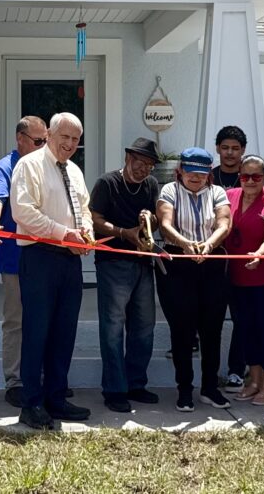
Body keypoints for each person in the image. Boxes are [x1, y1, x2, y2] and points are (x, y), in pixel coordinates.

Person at [10, 112, 93, 430]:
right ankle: (31, 404)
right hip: (40, 258)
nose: (70, 144)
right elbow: (23, 212)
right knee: (37, 332)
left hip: (70, 261)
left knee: (64, 331)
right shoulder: (28, 165)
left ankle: (56, 398)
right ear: (49, 135)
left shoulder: (75, 170)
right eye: (65, 137)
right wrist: (63, 234)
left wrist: (86, 233)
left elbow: (84, 209)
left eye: (75, 139)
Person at [156, 147, 232, 412]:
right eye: (191, 173)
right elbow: (165, 224)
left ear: (209, 173)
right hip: (179, 262)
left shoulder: (217, 192)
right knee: (182, 329)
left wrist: (209, 245)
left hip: (212, 261)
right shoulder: (169, 190)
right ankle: (184, 389)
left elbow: (224, 223)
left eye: (201, 174)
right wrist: (185, 244)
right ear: (180, 171)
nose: (196, 178)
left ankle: (210, 387)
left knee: (212, 328)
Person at [89, 137, 163, 413]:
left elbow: (156, 219)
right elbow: (94, 219)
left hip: (143, 262)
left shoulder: (151, 185)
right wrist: (123, 233)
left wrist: (150, 220)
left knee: (144, 326)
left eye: (149, 165)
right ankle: (114, 389)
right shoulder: (107, 183)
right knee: (113, 327)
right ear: (127, 158)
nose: (144, 169)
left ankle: (135, 384)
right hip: (113, 262)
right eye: (140, 162)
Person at [0, 115, 48, 408]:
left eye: (46, 141)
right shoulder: (6, 167)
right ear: (20, 139)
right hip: (15, 258)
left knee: (44, 318)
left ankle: (43, 379)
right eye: (38, 141)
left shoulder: (48, 166)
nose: (43, 146)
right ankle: (15, 381)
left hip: (45, 257)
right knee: (16, 321)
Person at [210, 125, 264, 393]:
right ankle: (212, 373)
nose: (230, 153)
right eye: (225, 147)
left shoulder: (262, 185)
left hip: (253, 268)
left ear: (243, 150)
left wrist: (261, 252)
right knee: (214, 317)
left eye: (235, 148)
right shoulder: (210, 178)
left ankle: (238, 370)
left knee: (244, 321)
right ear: (218, 149)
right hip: (218, 264)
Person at [224, 155, 264, 406]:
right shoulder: (229, 196)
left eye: (256, 176)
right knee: (245, 329)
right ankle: (254, 381)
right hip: (236, 277)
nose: (250, 181)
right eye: (245, 176)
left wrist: (259, 254)